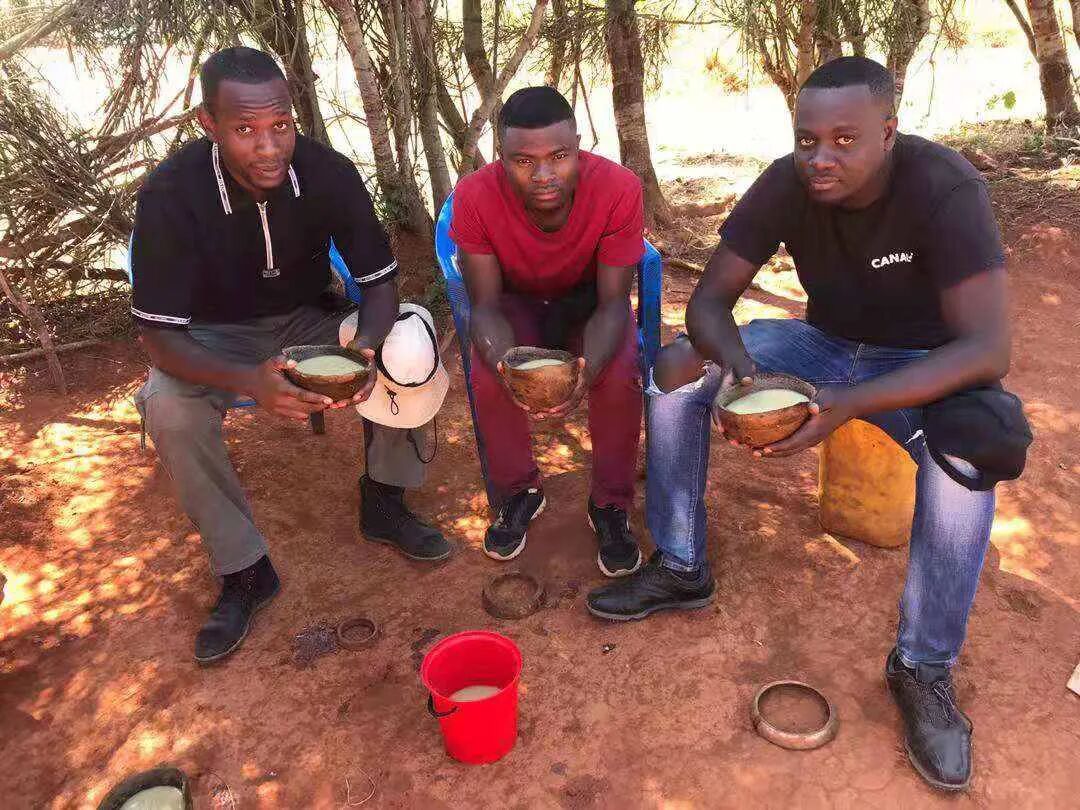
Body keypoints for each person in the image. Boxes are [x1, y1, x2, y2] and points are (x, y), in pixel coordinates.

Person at [588, 57, 1029, 791]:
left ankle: (922, 667)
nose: (820, 158)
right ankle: (681, 565)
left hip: (920, 360)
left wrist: (847, 404)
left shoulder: (944, 187)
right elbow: (709, 305)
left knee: (970, 455)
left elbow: (988, 349)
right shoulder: (786, 185)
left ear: (888, 131)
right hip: (820, 344)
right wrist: (743, 373)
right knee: (676, 370)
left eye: (844, 140)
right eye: (806, 140)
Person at [131, 47, 450, 665]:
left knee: (406, 342)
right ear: (209, 124)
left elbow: (379, 284)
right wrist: (247, 379)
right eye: (245, 129)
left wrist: (364, 349)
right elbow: (159, 337)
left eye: (280, 125)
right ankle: (245, 569)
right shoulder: (171, 193)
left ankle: (385, 500)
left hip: (312, 318)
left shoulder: (327, 172)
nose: (269, 147)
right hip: (213, 336)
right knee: (168, 406)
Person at [450, 86, 646, 576]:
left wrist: (587, 372)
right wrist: (507, 367)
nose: (543, 175)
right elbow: (485, 307)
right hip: (514, 302)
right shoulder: (474, 195)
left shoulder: (619, 188)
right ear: (501, 157)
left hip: (588, 302)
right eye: (523, 161)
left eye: (559, 156)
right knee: (488, 373)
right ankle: (519, 492)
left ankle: (610, 503)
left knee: (620, 371)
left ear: (578, 146)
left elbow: (614, 303)